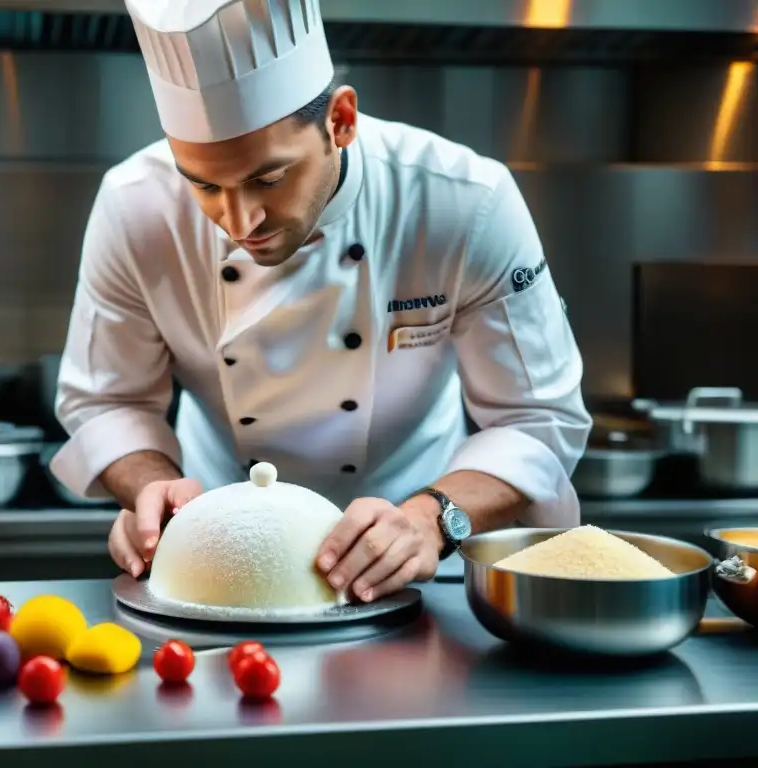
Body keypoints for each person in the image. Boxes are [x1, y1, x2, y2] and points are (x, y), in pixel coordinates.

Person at [51, 0, 591, 603]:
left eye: (268, 178)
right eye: (204, 184)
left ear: (340, 120)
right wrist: (156, 492)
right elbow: (107, 400)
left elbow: (538, 419)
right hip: (215, 553)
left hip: (407, 555)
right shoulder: (134, 206)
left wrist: (431, 519)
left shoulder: (463, 202)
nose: (239, 221)